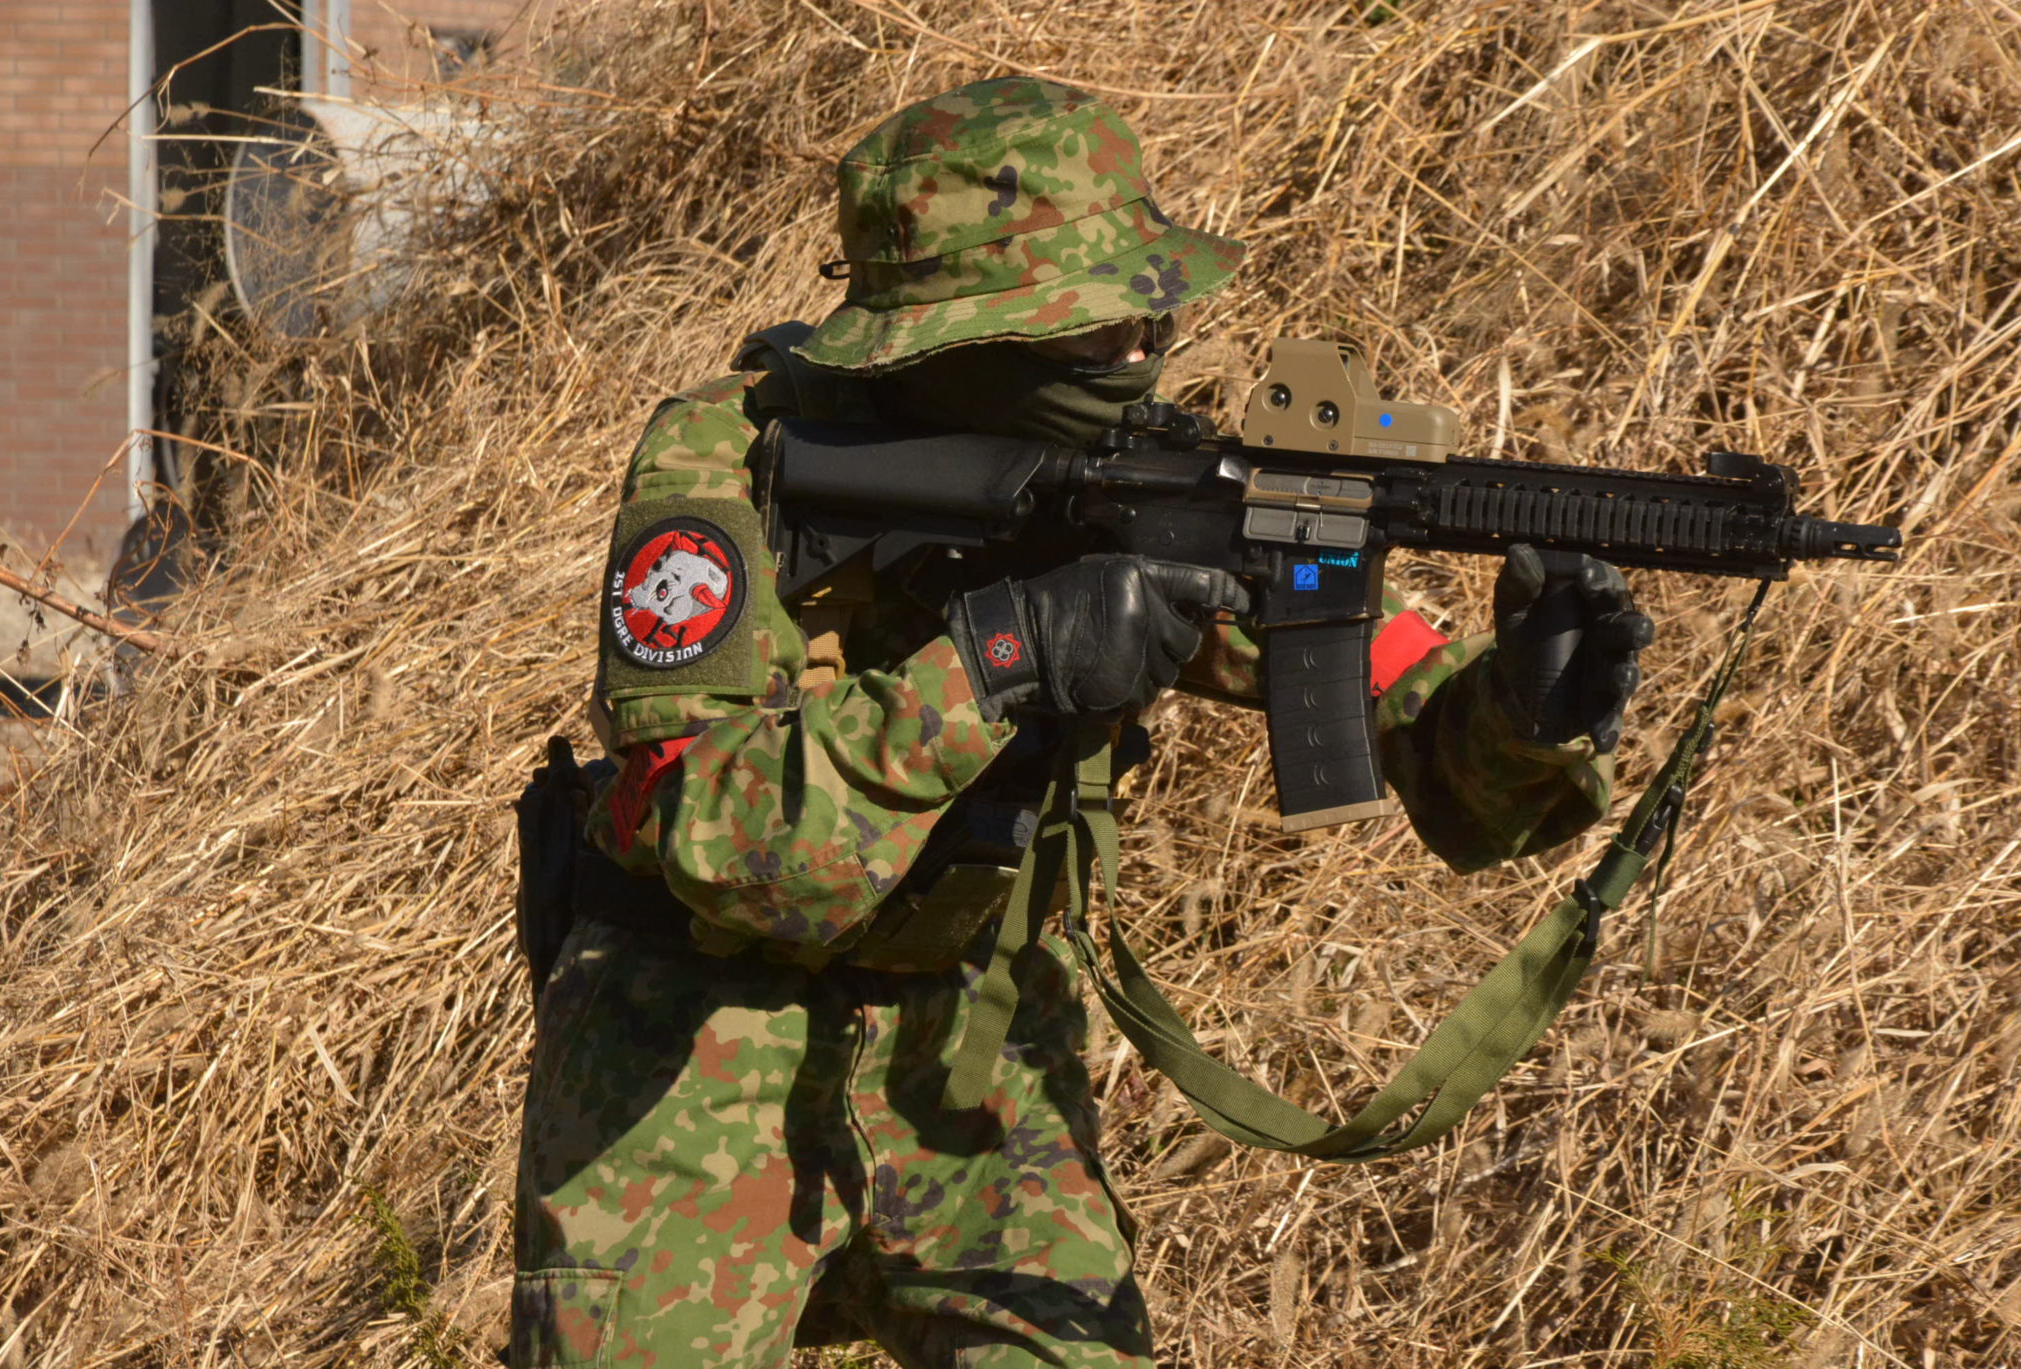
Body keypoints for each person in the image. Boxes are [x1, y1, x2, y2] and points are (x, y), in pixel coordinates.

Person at [509, 77, 1652, 1368]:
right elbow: (725, 839)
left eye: (1146, 312)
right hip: (690, 1056)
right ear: (958, 340)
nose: (1140, 346)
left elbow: (1430, 741)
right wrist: (1005, 657)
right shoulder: (727, 463)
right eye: (1093, 323)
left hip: (980, 1053)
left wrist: (1526, 703)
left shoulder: (1151, 483)